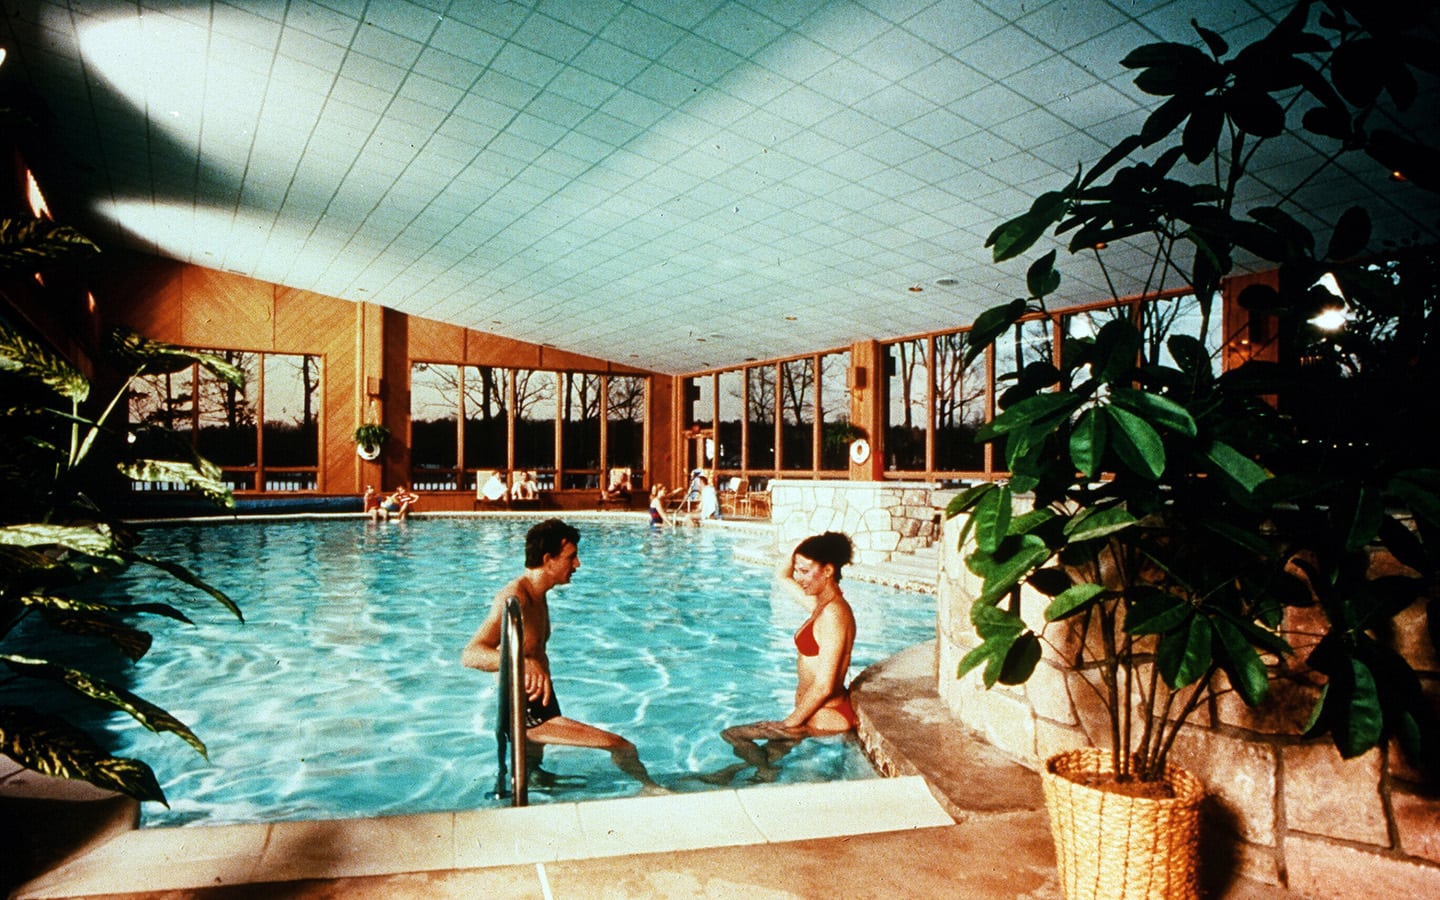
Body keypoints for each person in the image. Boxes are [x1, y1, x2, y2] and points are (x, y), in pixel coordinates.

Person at [461, 518, 661, 791]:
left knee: (532, 777)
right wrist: (522, 662)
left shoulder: (539, 595)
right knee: (621, 746)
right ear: (548, 559)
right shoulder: (513, 599)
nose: (577, 564)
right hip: (526, 714)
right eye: (571, 557)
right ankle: (653, 791)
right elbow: (471, 654)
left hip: (542, 704)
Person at [711, 532, 858, 783]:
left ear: (828, 570)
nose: (798, 577)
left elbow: (824, 685)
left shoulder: (834, 614)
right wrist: (801, 544)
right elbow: (782, 574)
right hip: (809, 712)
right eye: (798, 569)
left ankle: (765, 771)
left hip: (825, 717)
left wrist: (788, 723)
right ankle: (738, 774)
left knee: (733, 734)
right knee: (764, 756)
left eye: (805, 570)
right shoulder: (820, 606)